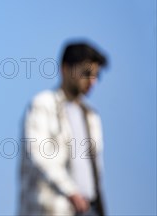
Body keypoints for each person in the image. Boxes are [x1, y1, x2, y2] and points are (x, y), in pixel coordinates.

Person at [19, 42, 108, 216]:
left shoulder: (91, 116)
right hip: (50, 209)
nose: (92, 81)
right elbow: (39, 154)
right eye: (86, 73)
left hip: (88, 210)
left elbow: (96, 170)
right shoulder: (43, 105)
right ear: (65, 69)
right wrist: (71, 191)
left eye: (96, 76)